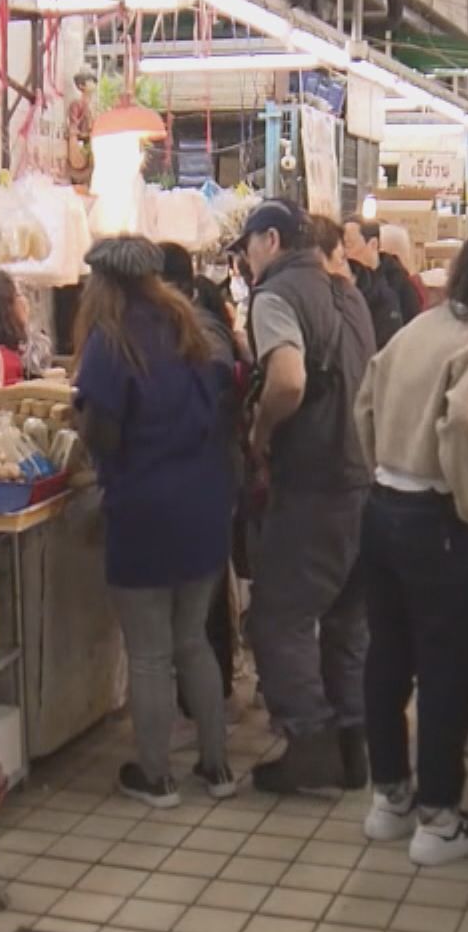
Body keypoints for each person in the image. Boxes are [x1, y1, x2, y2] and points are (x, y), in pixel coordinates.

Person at [353, 227, 468, 865]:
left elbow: (365, 399)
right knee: (447, 668)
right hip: (436, 519)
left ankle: (389, 800)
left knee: (388, 658)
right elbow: (465, 423)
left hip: (381, 508)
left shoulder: (420, 327)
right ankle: (438, 819)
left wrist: (384, 464)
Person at [72, 237, 237, 808]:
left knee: (148, 652)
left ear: (102, 284)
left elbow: (101, 431)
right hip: (203, 503)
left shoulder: (109, 342)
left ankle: (156, 776)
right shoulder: (187, 326)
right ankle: (217, 769)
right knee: (193, 641)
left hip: (144, 507)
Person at [234, 199, 377, 794]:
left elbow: (289, 379)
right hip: (362, 478)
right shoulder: (350, 294)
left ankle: (310, 745)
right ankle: (353, 747)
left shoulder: (276, 295)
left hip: (313, 480)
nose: (243, 261)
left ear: (268, 240)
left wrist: (261, 433)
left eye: (245, 248)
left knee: (279, 619)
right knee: (346, 620)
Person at [159, 241, 245, 704]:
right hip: (208, 473)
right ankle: (206, 698)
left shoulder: (199, 331)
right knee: (205, 596)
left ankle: (208, 700)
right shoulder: (195, 325)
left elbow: (211, 402)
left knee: (202, 602)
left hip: (206, 475)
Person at [343, 217, 419, 347]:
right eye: (340, 245)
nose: (344, 253)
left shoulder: (399, 284)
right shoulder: (344, 282)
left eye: (349, 245)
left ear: (373, 244)